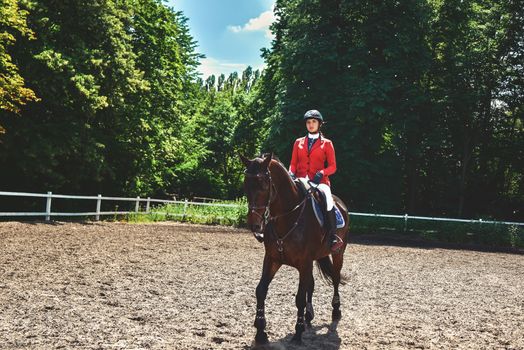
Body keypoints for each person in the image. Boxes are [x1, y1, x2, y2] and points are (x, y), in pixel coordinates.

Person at [288, 109, 343, 252]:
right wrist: (291, 173)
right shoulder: (298, 142)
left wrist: (322, 173)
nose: (311, 124)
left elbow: (333, 166)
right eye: (308, 122)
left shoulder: (327, 143)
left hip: (320, 182)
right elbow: (293, 163)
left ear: (319, 124)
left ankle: (333, 236)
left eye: (313, 122)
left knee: (328, 200)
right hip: (300, 179)